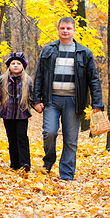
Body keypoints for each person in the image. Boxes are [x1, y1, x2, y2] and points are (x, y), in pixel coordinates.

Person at [33, 17, 104, 180]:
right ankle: (49, 160)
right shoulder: (49, 50)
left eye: (68, 28)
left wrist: (97, 103)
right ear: (58, 30)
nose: (65, 31)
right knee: (49, 132)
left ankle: (66, 175)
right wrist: (37, 99)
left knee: (71, 139)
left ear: (74, 31)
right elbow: (39, 76)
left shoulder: (84, 53)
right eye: (62, 28)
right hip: (51, 100)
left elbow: (93, 78)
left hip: (73, 101)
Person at [0, 52, 33, 172]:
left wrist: (37, 105)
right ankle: (14, 164)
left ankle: (25, 164)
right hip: (7, 113)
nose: (15, 65)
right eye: (13, 63)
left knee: (22, 137)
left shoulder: (27, 80)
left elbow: (31, 97)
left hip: (21, 113)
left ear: (23, 66)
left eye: (18, 63)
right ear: (9, 65)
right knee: (12, 138)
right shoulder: (2, 80)